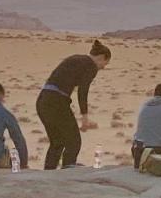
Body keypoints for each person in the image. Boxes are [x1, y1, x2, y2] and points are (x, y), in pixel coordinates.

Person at [36, 40, 111, 169]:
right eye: (105, 63)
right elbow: (83, 91)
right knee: (74, 142)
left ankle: (48, 173)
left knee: (57, 142)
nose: (103, 67)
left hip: (43, 101)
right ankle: (68, 174)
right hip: (57, 103)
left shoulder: (76, 59)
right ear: (101, 57)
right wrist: (85, 118)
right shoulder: (90, 65)